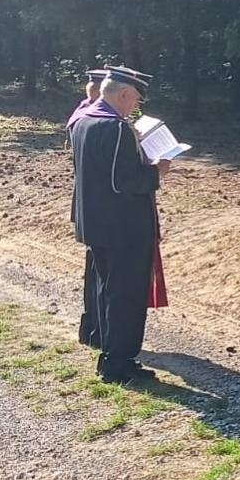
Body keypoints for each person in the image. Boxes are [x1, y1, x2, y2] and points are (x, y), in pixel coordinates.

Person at [70, 66, 169, 383]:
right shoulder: (116, 129)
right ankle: (119, 364)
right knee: (126, 294)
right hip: (123, 227)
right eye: (135, 101)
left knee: (106, 289)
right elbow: (124, 181)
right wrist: (158, 172)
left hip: (97, 222)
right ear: (123, 94)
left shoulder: (83, 119)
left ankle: (108, 349)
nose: (135, 107)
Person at [67, 68, 109, 347]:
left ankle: (91, 328)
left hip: (87, 204)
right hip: (102, 206)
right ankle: (98, 330)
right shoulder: (94, 120)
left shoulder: (79, 115)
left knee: (94, 272)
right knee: (101, 276)